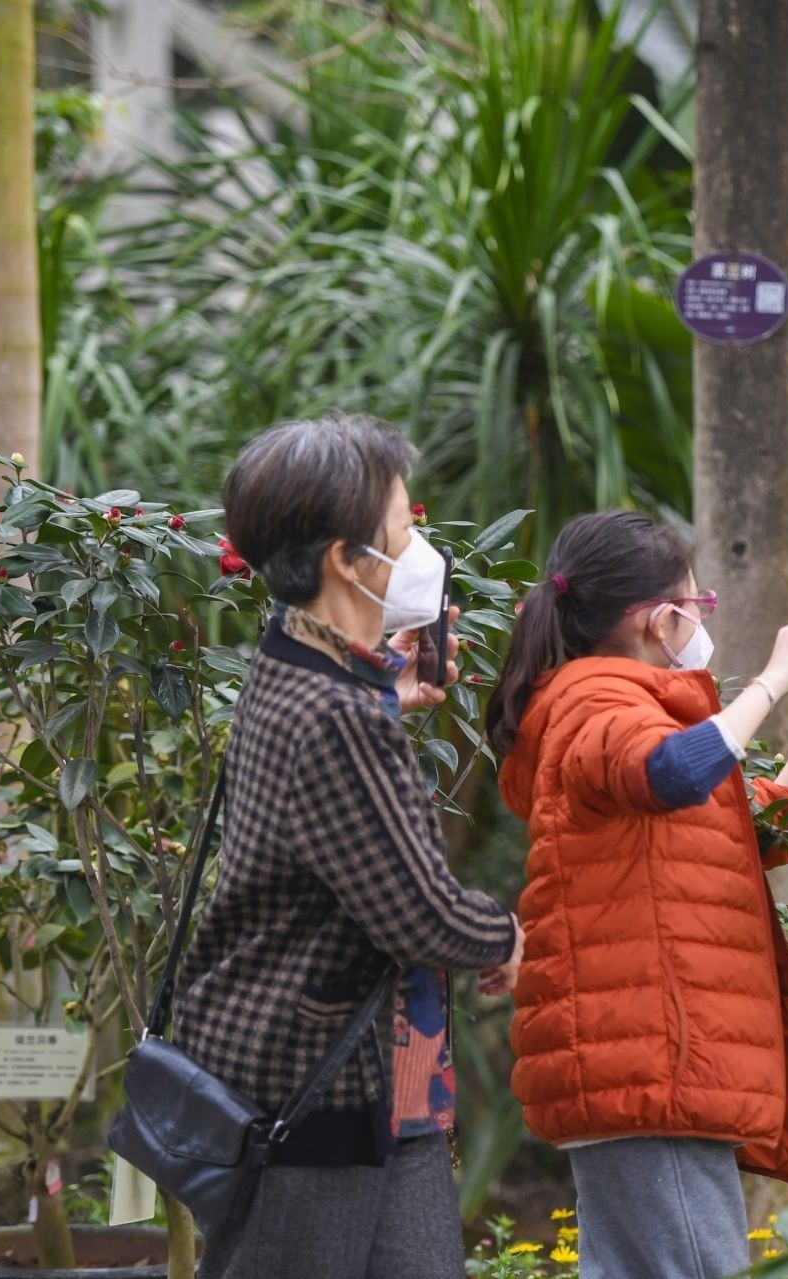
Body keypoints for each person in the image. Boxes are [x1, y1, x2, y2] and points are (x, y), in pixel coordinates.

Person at [487, 511, 788, 1279]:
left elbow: (757, 825)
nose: (702, 617)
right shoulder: (592, 702)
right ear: (656, 618)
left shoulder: (629, 705)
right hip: (649, 1069)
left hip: (653, 1068)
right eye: (695, 604)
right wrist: (775, 677)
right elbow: (674, 771)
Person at [177, 413, 523, 1279]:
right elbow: (418, 913)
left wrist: (384, 698)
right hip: (314, 1090)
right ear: (345, 557)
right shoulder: (335, 716)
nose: (419, 549)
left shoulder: (297, 661)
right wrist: (507, 936)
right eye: (405, 529)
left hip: (371, 1087)